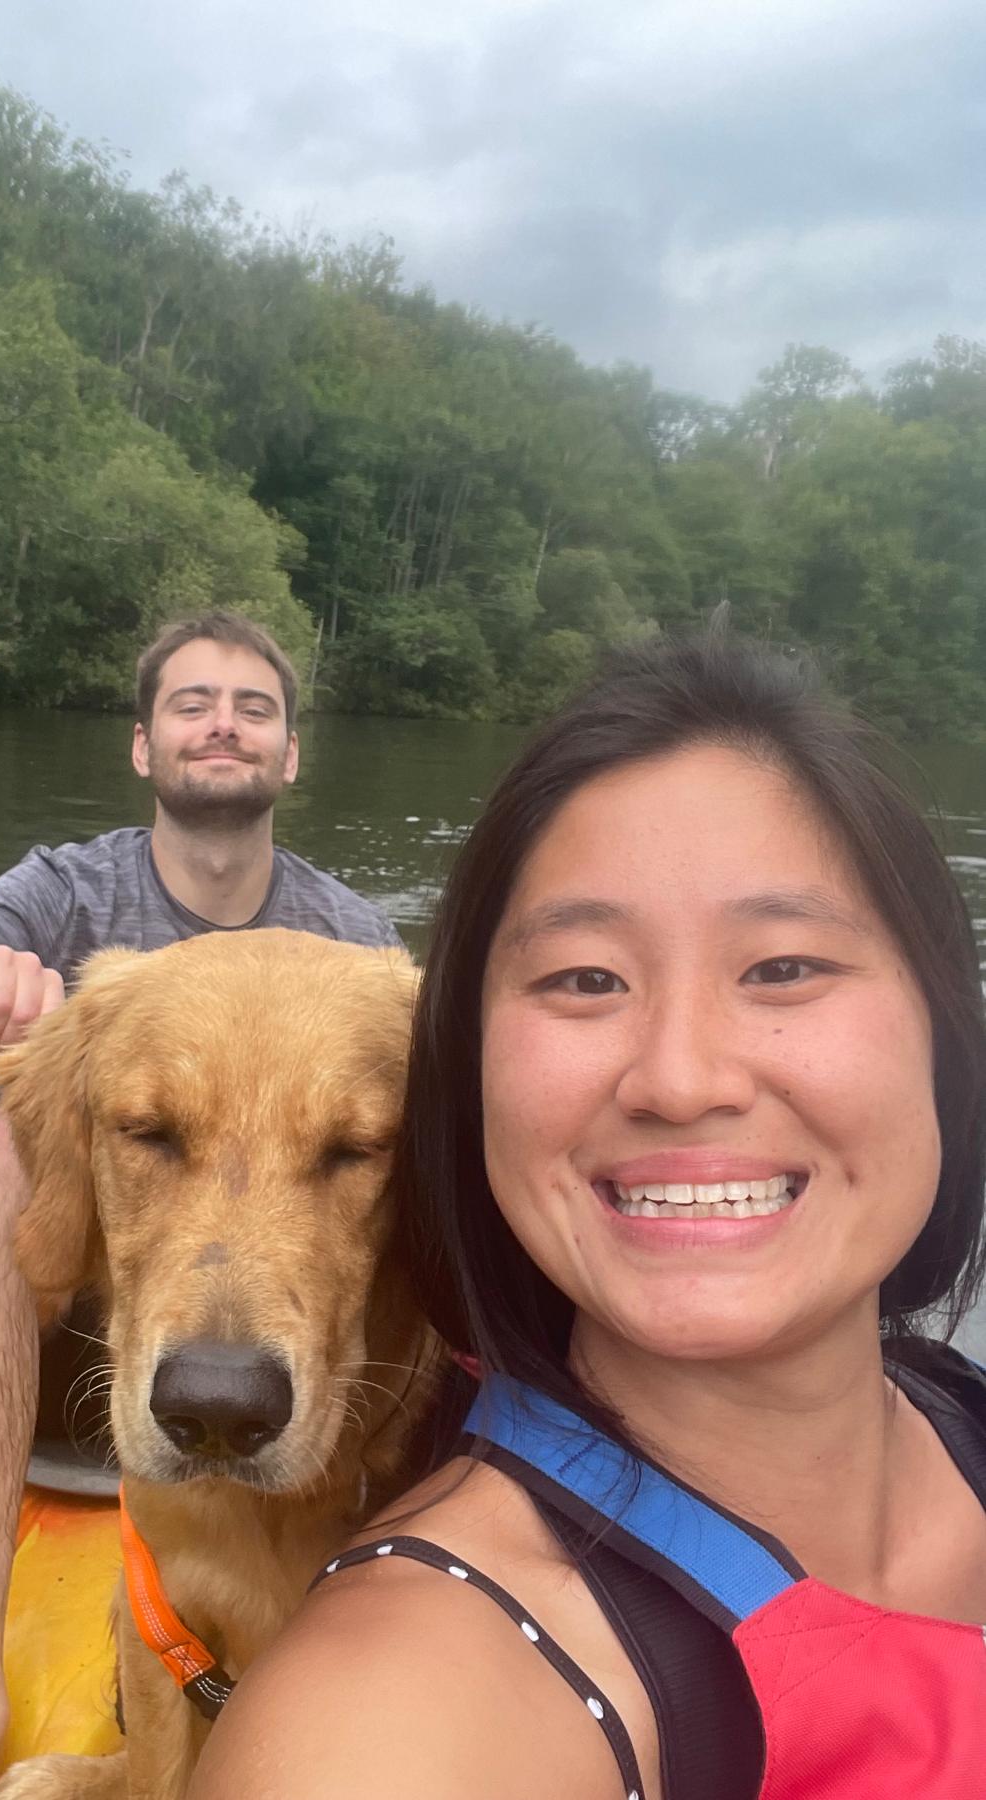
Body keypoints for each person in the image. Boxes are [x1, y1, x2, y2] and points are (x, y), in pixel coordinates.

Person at [191, 631, 986, 1800]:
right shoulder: (391, 1727)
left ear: (943, 1035)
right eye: (585, 980)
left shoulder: (961, 1416)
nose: (679, 1077)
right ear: (469, 1083)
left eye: (783, 968)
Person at [0, 611, 401, 1800]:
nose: (222, 723)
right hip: (76, 1294)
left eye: (253, 706)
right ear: (144, 746)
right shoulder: (58, 893)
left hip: (313, 1345)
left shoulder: (365, 956)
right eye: (192, 703)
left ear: (291, 756)